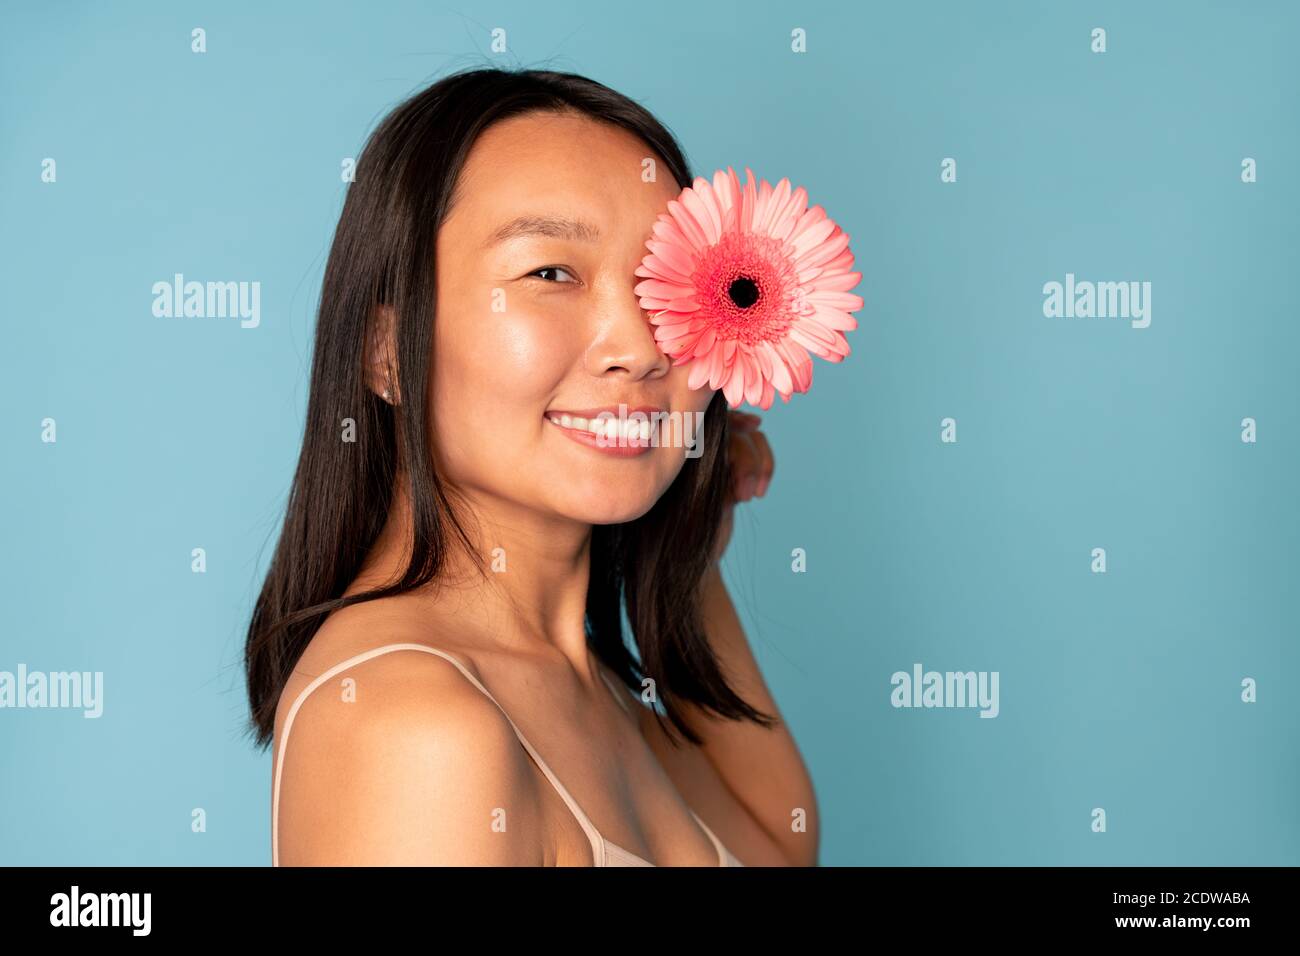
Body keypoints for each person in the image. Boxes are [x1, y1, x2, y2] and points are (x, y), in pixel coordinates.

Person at [243, 67, 818, 866]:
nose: (641, 347)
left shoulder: (587, 680)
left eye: (665, 287)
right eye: (551, 273)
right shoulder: (415, 724)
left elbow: (777, 844)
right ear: (387, 354)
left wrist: (696, 534)